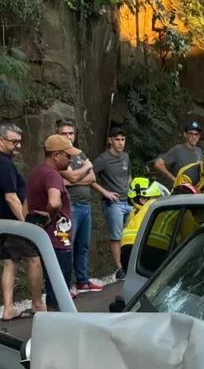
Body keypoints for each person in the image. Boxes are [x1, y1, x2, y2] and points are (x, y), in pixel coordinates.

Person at [25, 135, 77, 310]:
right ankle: (58, 328)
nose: (70, 159)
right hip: (58, 240)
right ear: (56, 155)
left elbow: (27, 204)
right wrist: (50, 215)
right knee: (59, 292)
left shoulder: (37, 172)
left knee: (52, 290)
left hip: (43, 238)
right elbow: (54, 202)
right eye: (67, 155)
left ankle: (47, 316)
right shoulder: (53, 175)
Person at [0, 121, 45, 319]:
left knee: (10, 263)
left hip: (4, 223)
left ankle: (8, 308)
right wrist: (27, 224)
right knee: (34, 259)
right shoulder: (4, 163)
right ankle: (37, 303)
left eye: (19, 142)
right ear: (1, 141)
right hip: (15, 222)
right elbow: (11, 197)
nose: (17, 146)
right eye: (13, 142)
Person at [54, 118, 104, 293]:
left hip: (85, 206)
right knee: (68, 246)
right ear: (57, 135)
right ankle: (65, 287)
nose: (68, 137)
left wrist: (74, 177)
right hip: (70, 207)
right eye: (64, 133)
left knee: (82, 246)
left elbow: (92, 178)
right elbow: (69, 179)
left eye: (71, 133)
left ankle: (82, 281)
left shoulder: (79, 153)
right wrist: (80, 174)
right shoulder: (57, 156)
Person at [94, 126, 132, 280]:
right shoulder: (103, 159)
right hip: (113, 203)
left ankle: (129, 263)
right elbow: (90, 177)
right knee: (116, 236)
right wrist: (105, 192)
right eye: (117, 139)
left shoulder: (126, 157)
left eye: (122, 139)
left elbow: (129, 175)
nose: (120, 143)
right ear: (110, 140)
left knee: (129, 234)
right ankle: (120, 268)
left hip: (128, 201)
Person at [119, 178, 166, 272]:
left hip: (125, 253)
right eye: (155, 197)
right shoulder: (152, 208)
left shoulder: (134, 213)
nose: (157, 200)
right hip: (144, 250)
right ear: (143, 199)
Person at [153, 120, 204, 189]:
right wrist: (174, 179)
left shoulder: (199, 151)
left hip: (196, 192)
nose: (194, 137)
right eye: (191, 134)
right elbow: (158, 164)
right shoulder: (177, 149)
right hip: (181, 191)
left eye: (196, 134)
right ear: (185, 134)